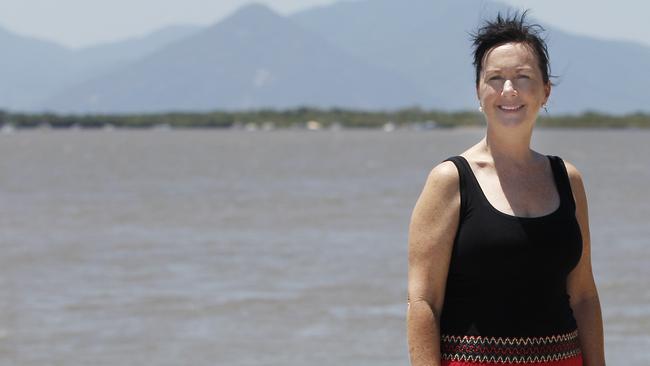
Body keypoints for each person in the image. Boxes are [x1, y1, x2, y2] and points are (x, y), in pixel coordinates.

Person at [406, 11, 605, 366]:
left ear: (545, 91)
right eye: (495, 78)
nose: (509, 90)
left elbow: (584, 296)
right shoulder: (451, 180)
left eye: (523, 77)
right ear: (478, 92)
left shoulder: (568, 179)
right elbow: (423, 303)